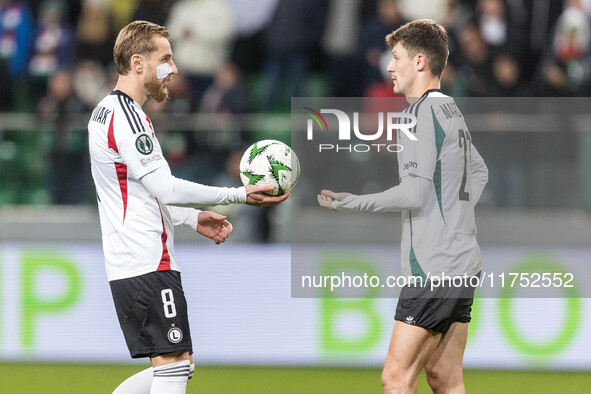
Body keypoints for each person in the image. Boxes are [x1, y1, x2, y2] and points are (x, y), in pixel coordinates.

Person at [88, 20, 288, 394]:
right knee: (175, 368)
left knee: (179, 365)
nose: (174, 69)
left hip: (129, 261)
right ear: (137, 63)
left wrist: (191, 217)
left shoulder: (104, 111)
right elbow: (164, 185)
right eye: (165, 58)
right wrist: (239, 194)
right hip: (147, 260)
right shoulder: (128, 116)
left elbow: (142, 190)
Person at [317, 19, 488, 393]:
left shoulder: (417, 114)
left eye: (396, 58)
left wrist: (352, 203)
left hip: (434, 268)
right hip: (463, 261)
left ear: (421, 62)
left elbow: (413, 195)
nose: (389, 66)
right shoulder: (450, 110)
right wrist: (453, 219)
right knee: (445, 376)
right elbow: (480, 171)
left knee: (395, 378)